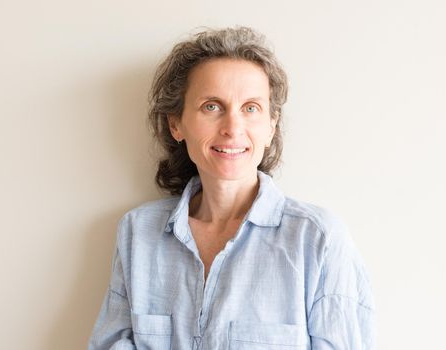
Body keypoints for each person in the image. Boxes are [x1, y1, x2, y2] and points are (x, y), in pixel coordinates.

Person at [88, 26, 375, 350]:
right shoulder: (137, 232)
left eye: (250, 108)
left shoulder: (319, 240)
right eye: (212, 106)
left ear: (270, 127)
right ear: (176, 124)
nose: (232, 128)